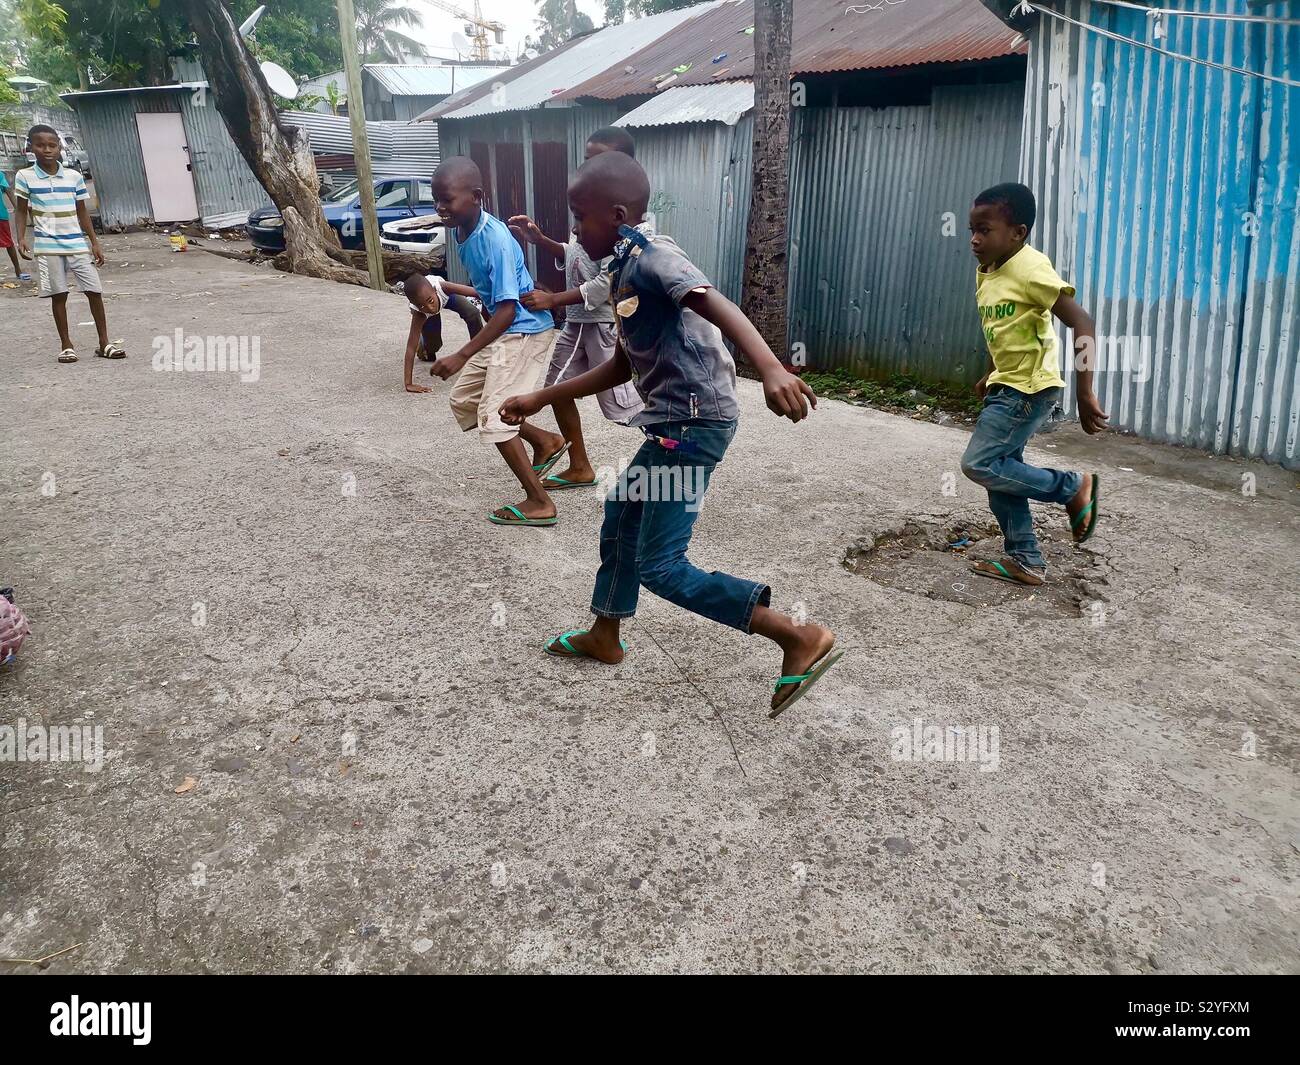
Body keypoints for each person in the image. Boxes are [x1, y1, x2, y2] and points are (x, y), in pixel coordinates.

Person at [500, 152, 840, 718]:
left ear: (615, 214)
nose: (575, 231)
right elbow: (624, 364)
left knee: (662, 564)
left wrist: (772, 368)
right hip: (671, 425)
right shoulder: (620, 271)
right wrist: (541, 397)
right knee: (623, 514)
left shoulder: (656, 260)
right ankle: (605, 634)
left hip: (692, 427)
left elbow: (716, 303)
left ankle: (797, 635)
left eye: (580, 219)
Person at [963, 182, 1107, 585]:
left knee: (980, 464)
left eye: (984, 230)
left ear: (1018, 232)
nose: (975, 239)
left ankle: (1072, 487)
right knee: (1002, 473)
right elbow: (1002, 327)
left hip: (1029, 389)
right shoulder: (988, 271)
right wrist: (991, 370)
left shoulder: (1030, 267)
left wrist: (1084, 391)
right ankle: (1026, 560)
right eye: (971, 229)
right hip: (1008, 384)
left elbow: (1083, 322)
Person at [428, 156, 563, 527]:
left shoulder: (495, 239)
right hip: (505, 330)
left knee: (495, 416)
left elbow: (506, 310)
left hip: (524, 331)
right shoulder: (461, 230)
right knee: (464, 401)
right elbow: (492, 292)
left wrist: (461, 353)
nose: (441, 208)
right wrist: (447, 286)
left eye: (448, 200)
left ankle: (540, 501)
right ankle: (546, 441)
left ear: (476, 196)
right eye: (436, 199)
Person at [13, 125, 126, 362]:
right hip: (47, 246)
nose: (46, 150)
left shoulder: (74, 177)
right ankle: (67, 345)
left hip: (76, 245)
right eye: (40, 145)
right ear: (31, 147)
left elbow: (82, 212)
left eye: (52, 145)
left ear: (59, 147)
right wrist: (21, 237)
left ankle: (104, 343)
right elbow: (21, 211)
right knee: (59, 295)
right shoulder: (25, 176)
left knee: (94, 291)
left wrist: (94, 242)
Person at [399, 271, 485, 393]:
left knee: (472, 312)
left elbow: (476, 292)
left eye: (430, 301)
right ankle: (423, 347)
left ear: (434, 290)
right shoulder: (420, 313)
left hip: (445, 297)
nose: (429, 308)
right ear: (415, 305)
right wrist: (408, 384)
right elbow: (410, 348)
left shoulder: (443, 287)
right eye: (421, 306)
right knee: (434, 347)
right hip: (429, 310)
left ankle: (480, 354)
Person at [0, 169, 31, 281]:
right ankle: (18, 270)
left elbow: (9, 191)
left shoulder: (0, 175)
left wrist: (18, 209)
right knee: (9, 243)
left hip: (0, 215)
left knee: (8, 243)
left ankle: (18, 269)